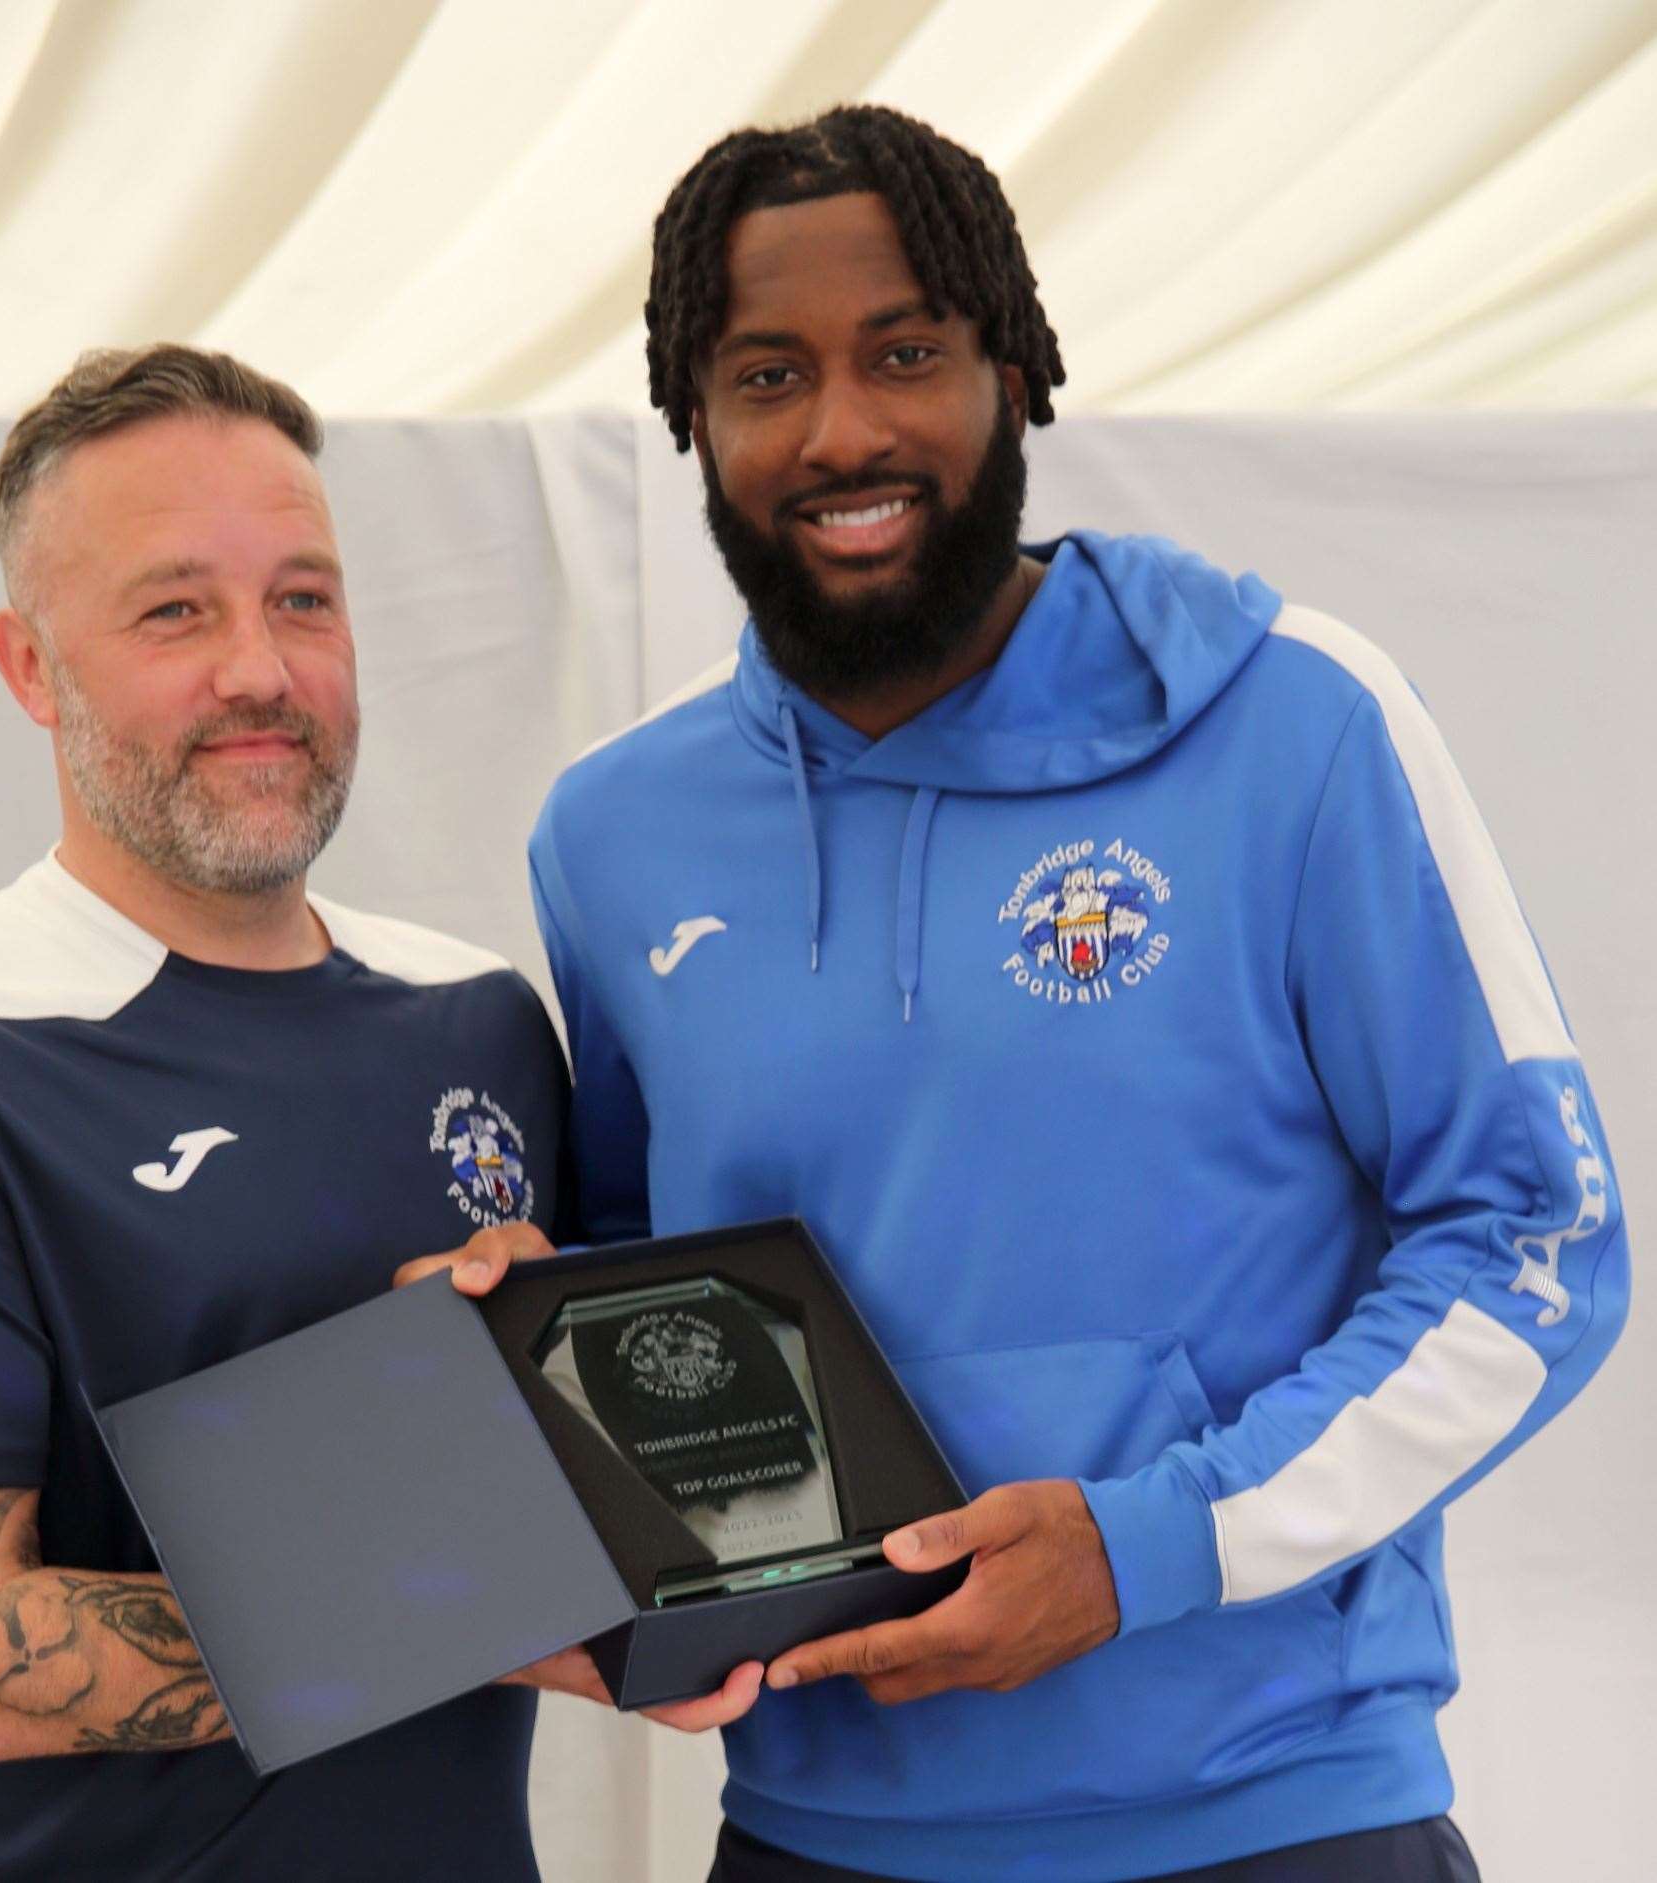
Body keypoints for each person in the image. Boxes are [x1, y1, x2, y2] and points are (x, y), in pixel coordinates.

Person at [524, 106, 1628, 1883]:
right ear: (690, 421)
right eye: (763, 374)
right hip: (815, 1832)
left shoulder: (1298, 722)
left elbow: (1536, 1238)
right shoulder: (614, 835)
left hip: (1277, 1813)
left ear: (1017, 372)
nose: (843, 431)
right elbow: (641, 1282)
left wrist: (1152, 1547)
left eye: (907, 353)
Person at [0, 344, 751, 1883]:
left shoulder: (480, 1017)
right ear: (29, 667)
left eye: (302, 598)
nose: (259, 672)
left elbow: (589, 1476)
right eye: (175, 610)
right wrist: (475, 1602)